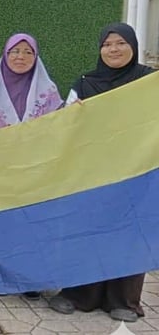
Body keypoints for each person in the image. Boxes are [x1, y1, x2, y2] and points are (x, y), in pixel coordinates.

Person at [48, 22, 155, 323]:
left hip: (137, 172)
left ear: (133, 46)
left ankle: (123, 300)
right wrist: (70, 115)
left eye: (121, 43)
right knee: (88, 231)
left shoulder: (149, 81)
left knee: (129, 234)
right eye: (107, 45)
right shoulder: (85, 83)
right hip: (92, 173)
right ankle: (78, 294)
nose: (113, 49)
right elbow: (64, 122)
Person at [0, 32, 62, 300]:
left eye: (27, 52)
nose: (20, 57)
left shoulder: (48, 92)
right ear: (5, 56)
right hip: (1, 169)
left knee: (35, 223)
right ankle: (6, 277)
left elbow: (58, 128)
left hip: (36, 169)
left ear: (36, 57)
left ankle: (33, 279)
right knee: (6, 222)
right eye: (14, 52)